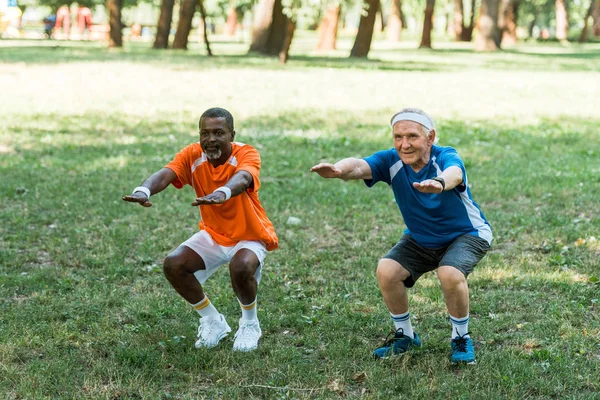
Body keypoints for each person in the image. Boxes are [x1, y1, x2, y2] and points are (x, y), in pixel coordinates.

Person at [310, 108, 491, 363]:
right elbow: (360, 165)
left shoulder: (445, 156)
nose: (404, 145)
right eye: (398, 137)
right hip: (421, 238)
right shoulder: (391, 161)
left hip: (467, 234)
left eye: (412, 137)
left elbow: (455, 173)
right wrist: (339, 170)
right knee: (387, 270)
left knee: (449, 272)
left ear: (430, 137)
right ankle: (405, 336)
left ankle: (461, 338)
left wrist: (438, 183)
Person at [123, 107, 278, 352]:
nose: (211, 139)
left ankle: (250, 324)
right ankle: (212, 321)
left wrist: (222, 193)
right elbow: (166, 173)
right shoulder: (193, 154)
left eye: (219, 133)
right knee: (174, 264)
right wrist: (143, 190)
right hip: (214, 234)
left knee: (241, 267)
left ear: (232, 135)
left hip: (249, 235)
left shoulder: (247, 153)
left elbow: (243, 179)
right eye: (205, 133)